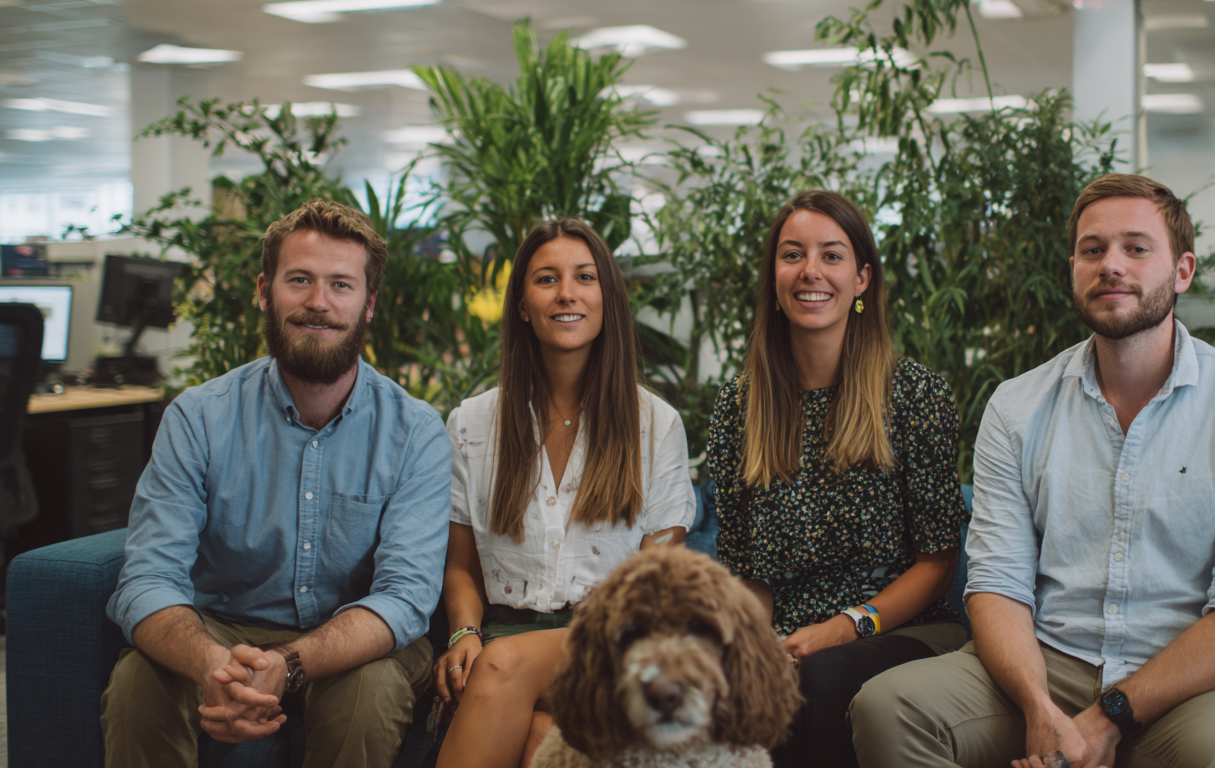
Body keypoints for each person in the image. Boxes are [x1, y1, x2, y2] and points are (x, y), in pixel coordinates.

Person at [850, 173, 1215, 768]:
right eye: (1092, 250)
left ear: (1183, 271)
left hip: (1188, 682)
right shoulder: (1017, 406)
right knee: (887, 706)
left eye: (1136, 248)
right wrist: (1040, 709)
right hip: (1044, 663)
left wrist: (1107, 718)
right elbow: (997, 587)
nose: (1110, 265)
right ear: (1073, 267)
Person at [101, 199, 451, 768]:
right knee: (140, 680)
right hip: (222, 623)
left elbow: (405, 596)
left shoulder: (415, 431)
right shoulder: (198, 417)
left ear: (369, 305)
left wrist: (287, 663)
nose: (319, 302)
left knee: (367, 693)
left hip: (355, 638)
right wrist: (214, 665)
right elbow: (148, 578)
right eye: (300, 281)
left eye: (341, 284)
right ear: (265, 291)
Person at [711, 189, 969, 768]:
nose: (810, 272)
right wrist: (753, 648)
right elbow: (743, 573)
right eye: (792, 254)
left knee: (821, 679)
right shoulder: (738, 406)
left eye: (831, 255)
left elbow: (937, 565)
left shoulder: (914, 395)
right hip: (788, 641)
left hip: (905, 629)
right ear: (773, 278)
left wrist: (843, 627)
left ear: (862, 280)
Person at [434, 218, 695, 768]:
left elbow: (656, 583)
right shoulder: (471, 423)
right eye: (547, 279)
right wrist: (462, 630)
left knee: (504, 668)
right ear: (523, 305)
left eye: (584, 277)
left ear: (607, 300)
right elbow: (460, 567)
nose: (567, 293)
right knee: (538, 736)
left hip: (616, 642)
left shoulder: (657, 424)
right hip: (501, 632)